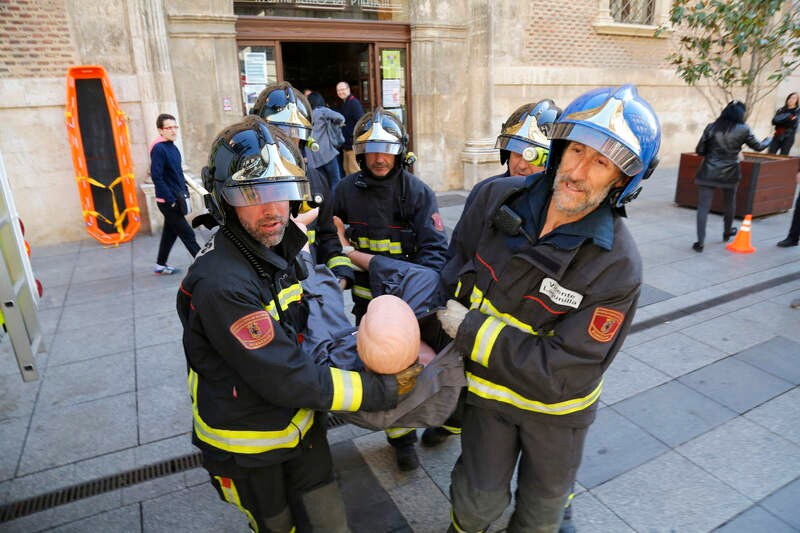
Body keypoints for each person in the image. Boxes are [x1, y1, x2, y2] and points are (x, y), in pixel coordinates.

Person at [178, 116, 420, 532]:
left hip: (303, 427)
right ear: (222, 199)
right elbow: (285, 376)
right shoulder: (223, 283)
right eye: (252, 193)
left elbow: (298, 339)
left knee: (328, 523)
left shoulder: (276, 247)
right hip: (252, 446)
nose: (273, 210)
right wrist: (378, 389)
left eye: (282, 192)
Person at [438, 85, 661, 533]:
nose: (577, 171)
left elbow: (567, 369)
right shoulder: (494, 199)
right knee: (476, 504)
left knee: (541, 515)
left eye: (601, 161)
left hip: (557, 416)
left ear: (622, 180)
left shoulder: (617, 265)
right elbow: (451, 276)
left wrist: (470, 331)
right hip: (488, 397)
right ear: (558, 149)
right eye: (576, 149)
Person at [421, 99, 564, 452]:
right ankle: (452, 422)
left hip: (521, 328)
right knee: (462, 376)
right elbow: (460, 249)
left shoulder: (563, 209)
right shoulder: (486, 193)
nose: (520, 162)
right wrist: (447, 298)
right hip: (471, 313)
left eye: (534, 154)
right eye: (515, 151)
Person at [332, 107, 449, 472]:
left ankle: (437, 420)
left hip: (412, 308)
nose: (380, 157)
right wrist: (341, 272)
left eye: (387, 149)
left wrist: (392, 276)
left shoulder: (417, 193)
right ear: (360, 153)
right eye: (371, 149)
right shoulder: (344, 191)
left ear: (400, 151)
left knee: (423, 369)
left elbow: (434, 256)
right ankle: (401, 439)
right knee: (381, 375)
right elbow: (328, 240)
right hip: (366, 308)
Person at [251, 82, 354, 289]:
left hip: (311, 293)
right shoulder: (247, 186)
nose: (286, 143)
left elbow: (327, 235)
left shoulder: (316, 180)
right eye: (278, 135)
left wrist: (339, 277)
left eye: (293, 135)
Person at [692, 100, 770, 252]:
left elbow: (700, 150)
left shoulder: (712, 127)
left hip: (709, 171)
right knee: (729, 204)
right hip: (730, 172)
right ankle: (727, 233)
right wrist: (770, 139)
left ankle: (700, 242)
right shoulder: (743, 129)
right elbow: (759, 147)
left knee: (703, 207)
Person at [149, 113, 200, 274]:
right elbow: (156, 176)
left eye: (174, 127)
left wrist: (185, 192)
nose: (173, 130)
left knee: (169, 234)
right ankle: (206, 266)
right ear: (160, 130)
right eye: (168, 127)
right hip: (168, 202)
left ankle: (160, 264)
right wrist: (170, 199)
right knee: (188, 234)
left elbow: (177, 173)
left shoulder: (172, 147)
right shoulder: (159, 149)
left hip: (177, 198)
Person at [306, 91, 345, 190]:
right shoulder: (322, 111)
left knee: (322, 184)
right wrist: (333, 124)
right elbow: (341, 118)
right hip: (327, 152)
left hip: (313, 156)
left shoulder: (305, 115)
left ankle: (325, 204)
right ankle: (335, 203)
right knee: (335, 180)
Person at [336, 81, 364, 176]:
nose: (341, 92)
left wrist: (352, 136)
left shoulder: (354, 103)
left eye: (343, 89)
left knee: (354, 171)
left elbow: (360, 122)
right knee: (347, 170)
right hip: (346, 145)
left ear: (348, 89)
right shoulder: (345, 103)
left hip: (353, 144)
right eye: (338, 90)